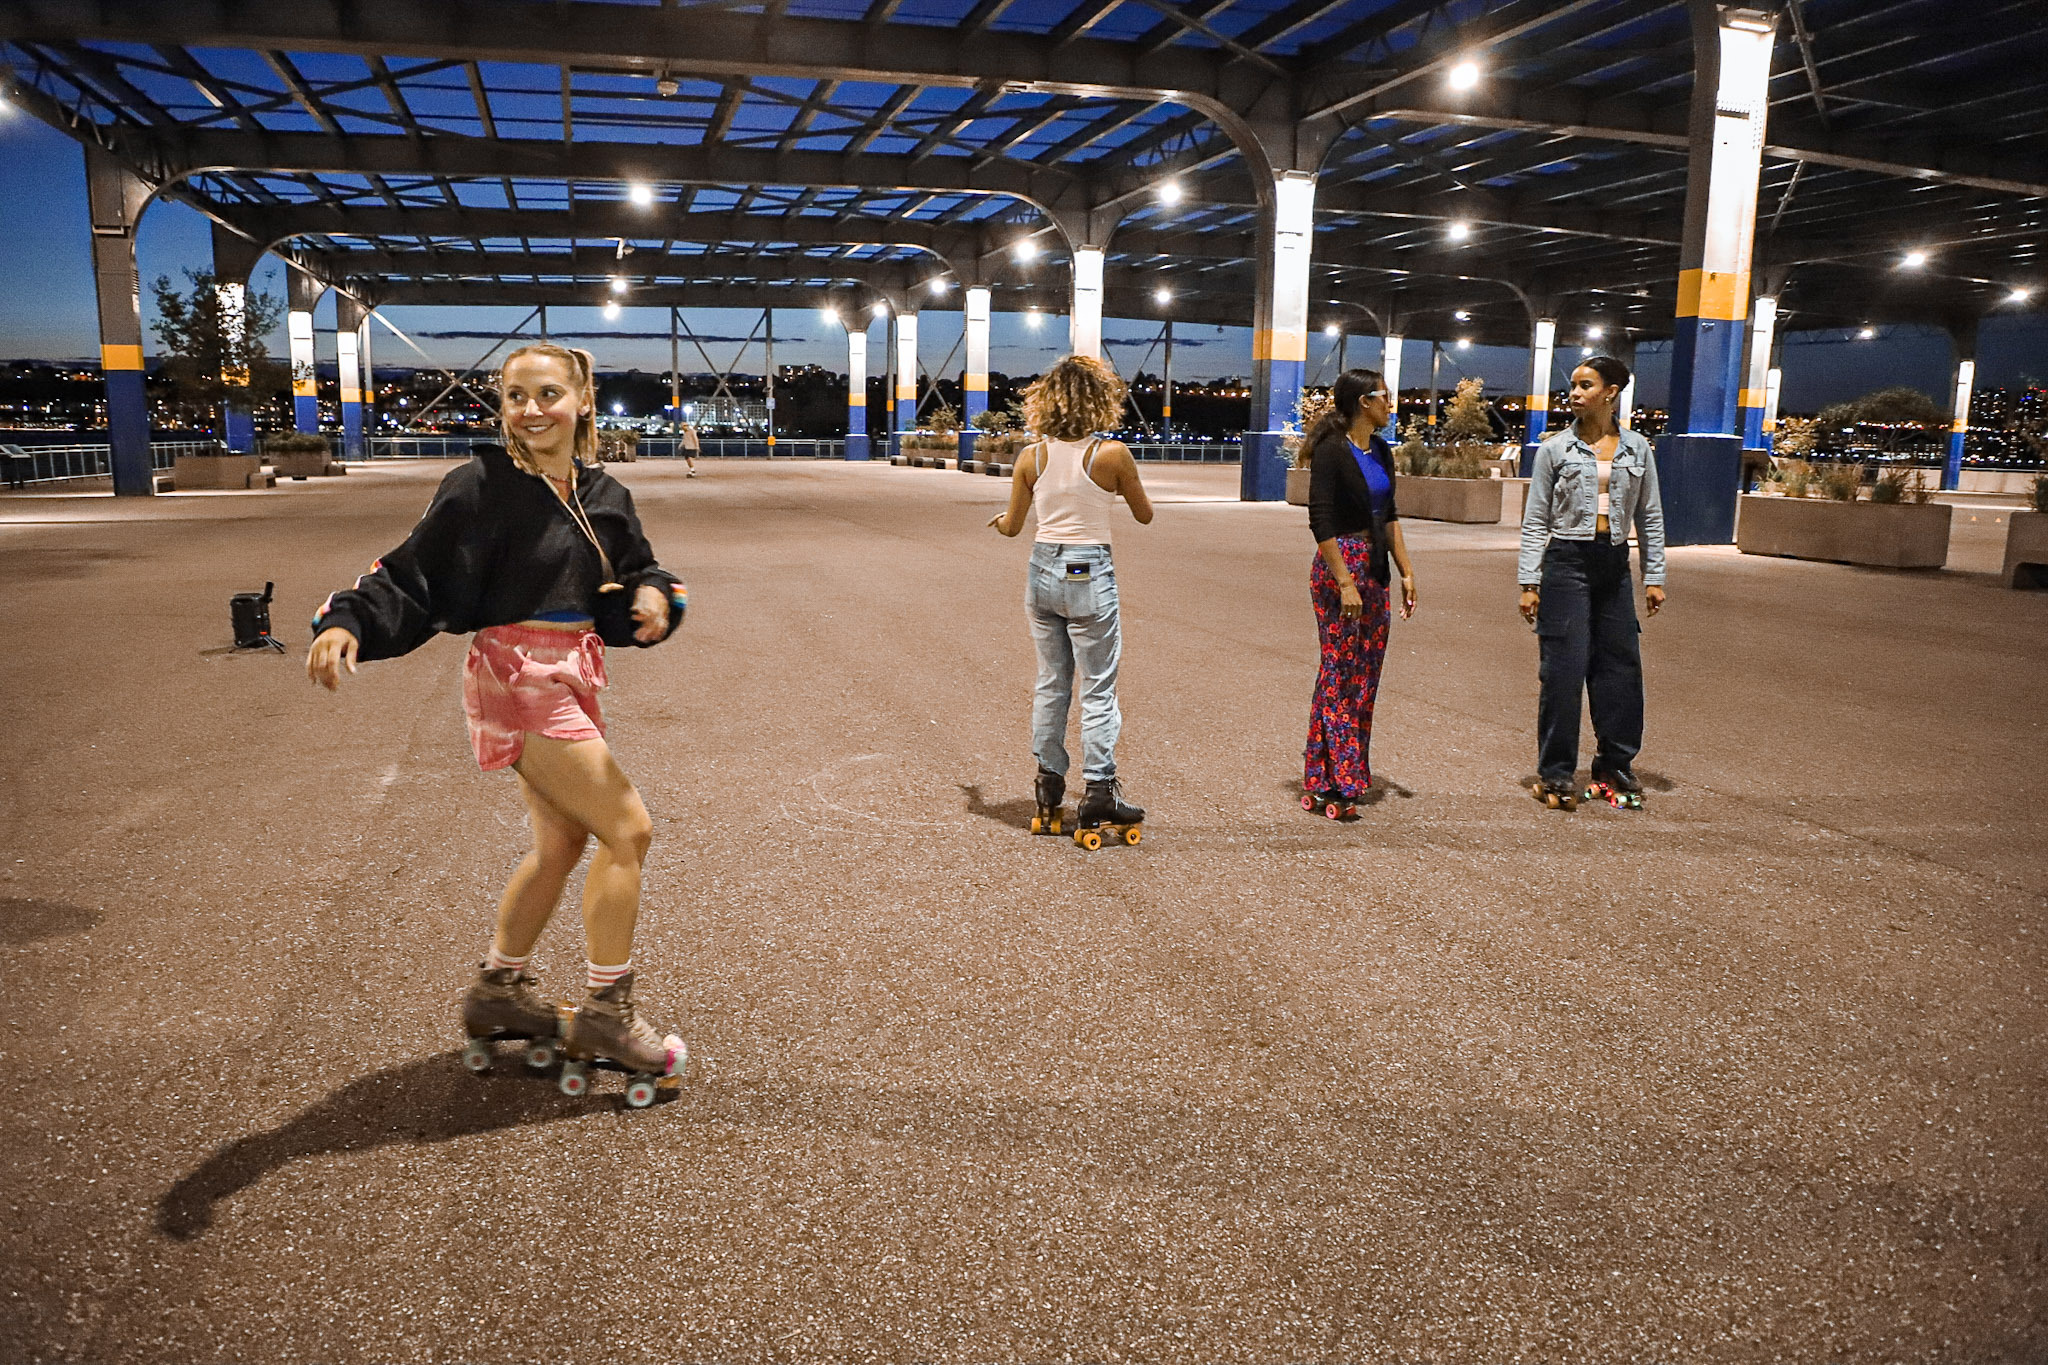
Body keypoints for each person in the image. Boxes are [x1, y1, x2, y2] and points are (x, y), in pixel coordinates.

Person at [306, 343, 693, 1099]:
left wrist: (651, 598)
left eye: (548, 392)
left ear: (582, 398)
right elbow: (409, 572)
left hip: (572, 672)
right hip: (516, 676)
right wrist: (348, 619)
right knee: (628, 828)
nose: (529, 409)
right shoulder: (479, 486)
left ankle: (498, 990)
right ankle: (608, 1010)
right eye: (515, 395)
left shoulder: (604, 494)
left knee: (561, 842)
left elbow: (638, 566)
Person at [987, 354, 1154, 841]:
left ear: (1046, 402)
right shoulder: (1112, 455)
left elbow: (1013, 527)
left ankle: (1049, 784)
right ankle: (1100, 789)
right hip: (1086, 570)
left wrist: (1000, 520)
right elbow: (1144, 515)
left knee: (1052, 682)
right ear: (1100, 400)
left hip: (1042, 570)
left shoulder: (1031, 457)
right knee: (1098, 685)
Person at [1517, 354, 1666, 811]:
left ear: (1611, 393)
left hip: (1614, 566)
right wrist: (1529, 579)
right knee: (1563, 670)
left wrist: (1653, 576)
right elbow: (1535, 517)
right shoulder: (1555, 449)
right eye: (1574, 386)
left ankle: (1615, 763)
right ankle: (1557, 770)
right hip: (1566, 563)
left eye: (1586, 385)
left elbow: (1651, 517)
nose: (1575, 394)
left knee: (1621, 668)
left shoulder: (1638, 449)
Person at [1302, 369, 1417, 819]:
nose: (1391, 404)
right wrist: (1344, 581)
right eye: (1385, 397)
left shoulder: (1382, 450)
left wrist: (1406, 571)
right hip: (1340, 571)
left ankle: (1337, 770)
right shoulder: (1331, 451)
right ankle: (1334, 774)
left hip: (1375, 568)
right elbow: (1321, 520)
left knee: (1364, 675)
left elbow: (1389, 515)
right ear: (1363, 402)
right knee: (1338, 669)